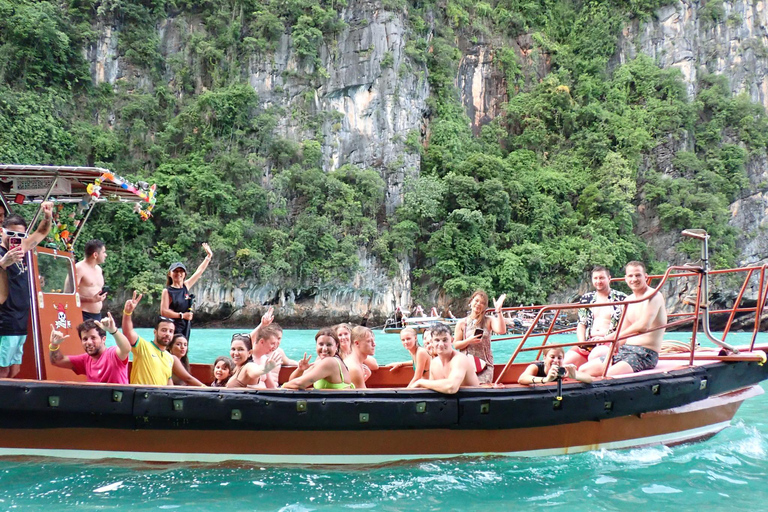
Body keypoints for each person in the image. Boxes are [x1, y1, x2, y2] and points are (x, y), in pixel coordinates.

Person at [580, 261, 667, 377]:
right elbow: (622, 329)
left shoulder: (654, 296)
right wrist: (613, 343)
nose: (634, 279)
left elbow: (643, 326)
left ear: (645, 277)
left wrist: (613, 336)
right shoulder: (629, 300)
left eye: (638, 275)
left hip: (645, 353)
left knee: (609, 373)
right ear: (626, 278)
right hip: (625, 349)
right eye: (630, 276)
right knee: (584, 370)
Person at [0, 202, 54, 378]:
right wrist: (3, 264)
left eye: (20, 235)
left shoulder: (21, 248)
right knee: (3, 369)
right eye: (11, 234)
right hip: (5, 321)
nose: (15, 238)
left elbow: (41, 232)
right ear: (2, 231)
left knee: (15, 369)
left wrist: (47, 216)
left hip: (21, 321)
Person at [563, 266, 627, 367]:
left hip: (609, 341)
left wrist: (605, 339)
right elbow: (581, 323)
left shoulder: (621, 298)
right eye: (595, 278)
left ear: (609, 278)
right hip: (589, 341)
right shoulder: (587, 298)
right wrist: (582, 342)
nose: (598, 281)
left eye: (601, 278)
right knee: (566, 362)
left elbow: (624, 327)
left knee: (594, 356)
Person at [48, 313, 130, 384]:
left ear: (103, 339)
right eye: (85, 339)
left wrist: (113, 331)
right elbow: (57, 361)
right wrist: (54, 345)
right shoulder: (85, 359)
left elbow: (126, 348)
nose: (89, 342)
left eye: (93, 338)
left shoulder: (113, 354)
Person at [160, 242, 213, 340]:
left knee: (183, 351)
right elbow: (164, 311)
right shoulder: (167, 291)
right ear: (170, 274)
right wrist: (182, 315)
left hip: (185, 326)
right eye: (175, 271)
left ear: (184, 274)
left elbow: (199, 271)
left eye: (181, 271)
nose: (178, 274)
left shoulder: (186, 286)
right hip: (172, 329)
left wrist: (209, 256)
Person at [121, 291, 175, 386]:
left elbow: (168, 380)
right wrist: (127, 313)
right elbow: (128, 332)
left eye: (171, 331)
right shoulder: (143, 347)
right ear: (155, 332)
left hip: (159, 398)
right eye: (164, 330)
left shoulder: (169, 357)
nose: (167, 334)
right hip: (141, 397)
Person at [453, 290, 507, 384]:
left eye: (482, 303)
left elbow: (502, 330)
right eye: (476, 301)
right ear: (471, 302)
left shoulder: (488, 320)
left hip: (485, 365)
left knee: (481, 389)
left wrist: (498, 310)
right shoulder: (462, 323)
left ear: (485, 306)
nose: (478, 304)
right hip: (467, 364)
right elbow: (456, 345)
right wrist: (469, 341)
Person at [409, 324, 479, 393]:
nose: (441, 344)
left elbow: (451, 387)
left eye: (445, 340)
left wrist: (420, 382)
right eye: (437, 340)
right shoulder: (434, 362)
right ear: (432, 342)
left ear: (452, 340)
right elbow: (431, 391)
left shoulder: (460, 359)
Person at [282, 328, 354, 390]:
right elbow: (292, 382)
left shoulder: (330, 362)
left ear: (336, 346)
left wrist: (281, 388)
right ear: (316, 345)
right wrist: (300, 370)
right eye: (321, 344)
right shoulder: (319, 360)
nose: (324, 349)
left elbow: (299, 384)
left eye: (329, 345)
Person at [518, 345, 593, 385]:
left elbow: (589, 379)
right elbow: (522, 379)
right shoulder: (536, 367)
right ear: (544, 357)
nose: (556, 361)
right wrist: (546, 379)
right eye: (552, 357)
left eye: (559, 358)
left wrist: (575, 376)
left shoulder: (564, 369)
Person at [76, 239, 108, 322]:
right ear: (95, 255)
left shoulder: (99, 269)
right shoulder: (79, 268)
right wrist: (90, 300)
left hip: (97, 315)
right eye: (103, 252)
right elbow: (68, 294)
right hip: (83, 314)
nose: (106, 255)